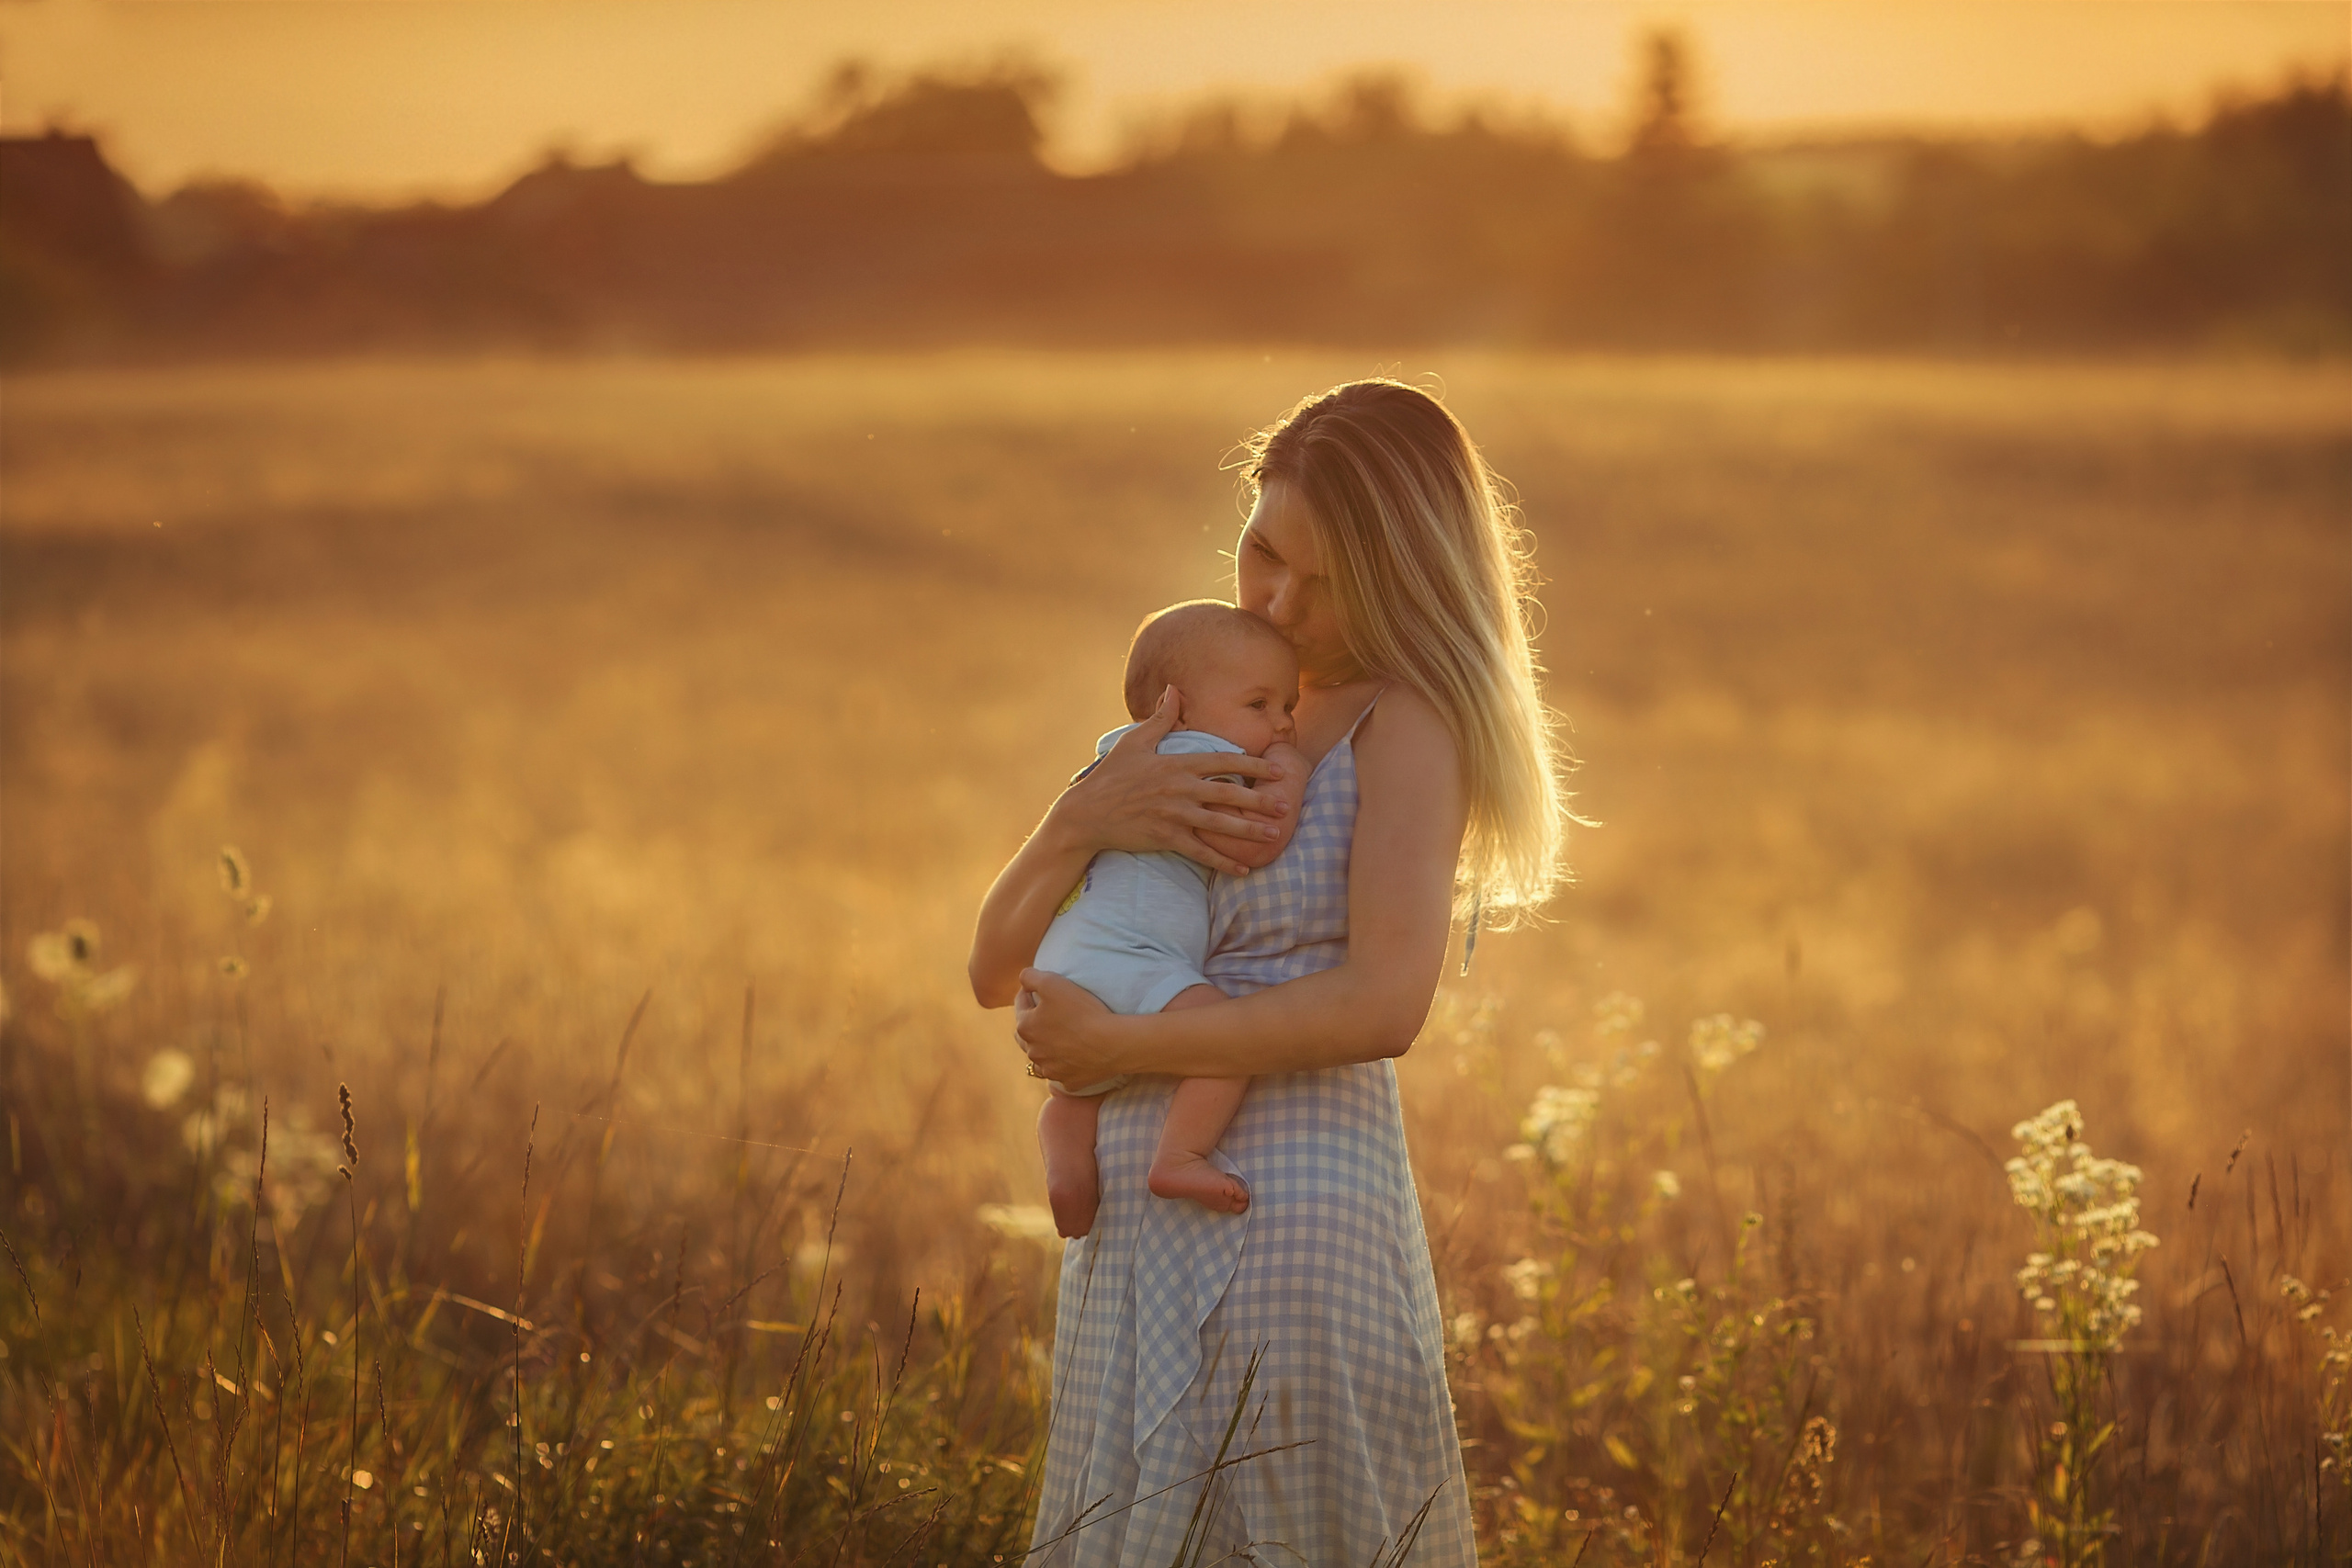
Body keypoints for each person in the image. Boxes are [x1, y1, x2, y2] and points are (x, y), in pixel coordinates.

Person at [969, 378, 1565, 1565]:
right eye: (1263, 555)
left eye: (1326, 582)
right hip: (1138, 1224)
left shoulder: (1405, 721)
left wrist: (1120, 1047)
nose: (1280, 603)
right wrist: (1081, 818)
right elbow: (996, 969)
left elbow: (1385, 1003)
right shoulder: (1211, 702)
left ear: (1406, 574)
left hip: (1291, 1208)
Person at [1031, 600, 1309, 1240]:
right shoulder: (1198, 756)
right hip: (1133, 957)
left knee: (1074, 1092)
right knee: (1225, 1040)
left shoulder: (1114, 759)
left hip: (1065, 958)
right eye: (1260, 704)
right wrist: (1288, 777)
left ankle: (1067, 1155)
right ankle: (1180, 1155)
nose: (1283, 724)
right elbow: (1251, 841)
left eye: (1289, 706)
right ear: (1175, 707)